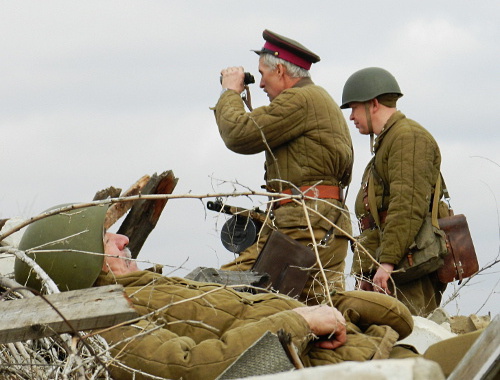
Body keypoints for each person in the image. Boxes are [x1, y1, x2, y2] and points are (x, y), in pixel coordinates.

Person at [14, 203, 414, 380]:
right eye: (106, 239)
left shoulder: (148, 285)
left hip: (366, 350)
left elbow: (244, 304)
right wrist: (299, 321)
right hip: (344, 368)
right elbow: (191, 368)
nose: (122, 240)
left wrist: (337, 306)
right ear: (80, 263)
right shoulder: (108, 321)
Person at [213, 29, 354, 304]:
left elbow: (239, 134)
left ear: (279, 70)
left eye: (262, 75)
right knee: (319, 309)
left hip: (303, 225)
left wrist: (229, 92)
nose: (261, 84)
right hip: (322, 222)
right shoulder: (317, 99)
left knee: (226, 294)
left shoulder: (299, 100)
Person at [340, 67, 447, 316]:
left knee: (411, 336)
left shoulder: (407, 137)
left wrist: (386, 264)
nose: (351, 117)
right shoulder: (391, 140)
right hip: (397, 261)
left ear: (373, 104)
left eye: (354, 108)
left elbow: (406, 205)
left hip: (407, 263)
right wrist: (371, 267)